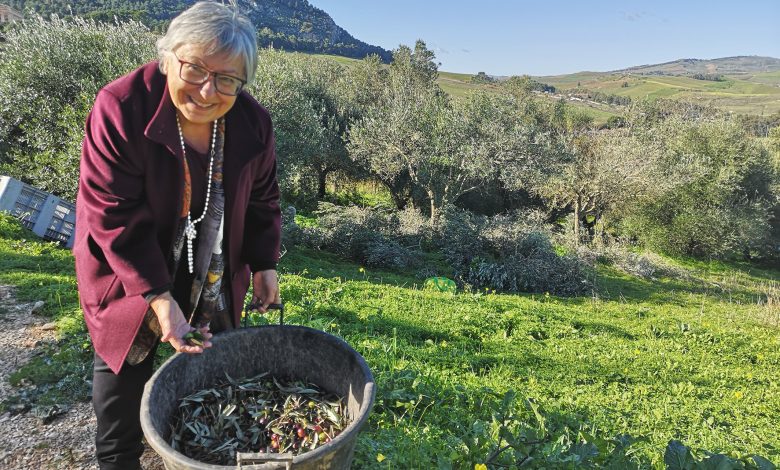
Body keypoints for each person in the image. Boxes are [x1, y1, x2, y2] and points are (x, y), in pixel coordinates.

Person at [73, 2, 282, 468]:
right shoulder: (121, 107)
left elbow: (264, 195)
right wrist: (159, 298)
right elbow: (114, 214)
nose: (209, 90)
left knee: (216, 383)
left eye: (228, 78)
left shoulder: (252, 122)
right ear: (167, 56)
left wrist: (265, 262)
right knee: (121, 392)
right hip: (128, 269)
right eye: (194, 68)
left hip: (210, 266)